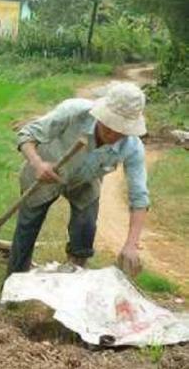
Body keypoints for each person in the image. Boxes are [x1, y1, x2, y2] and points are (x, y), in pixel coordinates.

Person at [8, 82, 150, 277]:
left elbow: (139, 198)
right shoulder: (73, 112)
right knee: (27, 229)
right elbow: (26, 135)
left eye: (122, 130)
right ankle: (14, 285)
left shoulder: (133, 147)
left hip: (84, 180)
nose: (114, 134)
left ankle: (76, 274)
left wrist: (131, 245)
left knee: (86, 226)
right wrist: (38, 163)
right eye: (109, 126)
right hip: (45, 173)